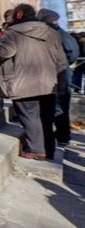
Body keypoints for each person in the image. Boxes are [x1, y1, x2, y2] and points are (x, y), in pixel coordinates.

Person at [0, 4, 67, 160]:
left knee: (30, 117)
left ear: (19, 15)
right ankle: (48, 150)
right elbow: (61, 61)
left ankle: (36, 150)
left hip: (24, 82)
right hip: (49, 83)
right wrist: (62, 84)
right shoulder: (52, 33)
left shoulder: (13, 33)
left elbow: (1, 52)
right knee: (46, 118)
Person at [38, 8, 80, 146]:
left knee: (56, 106)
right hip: (65, 71)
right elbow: (74, 54)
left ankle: (59, 136)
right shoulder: (65, 34)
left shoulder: (50, 34)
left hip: (55, 72)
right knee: (63, 105)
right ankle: (64, 135)